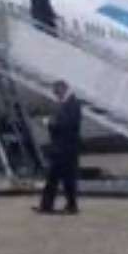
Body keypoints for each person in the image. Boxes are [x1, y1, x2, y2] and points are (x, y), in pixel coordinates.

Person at [37, 80, 82, 214]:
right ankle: (46, 205)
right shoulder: (64, 104)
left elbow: (69, 125)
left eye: (56, 92)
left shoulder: (73, 104)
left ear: (63, 89)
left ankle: (71, 206)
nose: (55, 95)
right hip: (59, 147)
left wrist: (49, 123)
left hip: (67, 148)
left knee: (67, 178)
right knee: (52, 178)